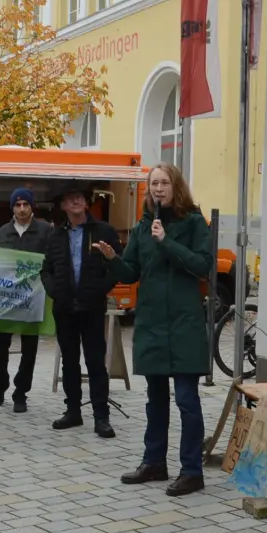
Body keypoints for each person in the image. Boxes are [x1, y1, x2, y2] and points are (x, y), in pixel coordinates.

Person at [99, 163, 213, 497]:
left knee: (187, 400)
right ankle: (154, 462)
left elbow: (202, 265)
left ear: (176, 186)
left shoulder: (194, 222)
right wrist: (112, 259)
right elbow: (132, 271)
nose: (158, 189)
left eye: (164, 183)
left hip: (184, 324)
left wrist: (166, 242)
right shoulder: (143, 226)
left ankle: (192, 471)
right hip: (153, 324)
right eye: (154, 184)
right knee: (155, 399)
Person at [41, 183, 121, 439]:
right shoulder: (55, 235)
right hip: (64, 307)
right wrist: (55, 291)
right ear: (63, 205)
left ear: (87, 203)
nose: (75, 201)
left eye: (79, 197)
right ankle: (73, 411)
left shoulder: (104, 231)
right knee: (70, 362)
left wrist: (100, 288)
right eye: (70, 198)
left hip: (92, 306)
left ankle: (101, 417)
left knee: (96, 361)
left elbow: (117, 266)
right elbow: (46, 269)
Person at [0, 187, 52, 413]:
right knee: (0, 346)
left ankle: (21, 392)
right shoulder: (1, 234)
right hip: (5, 300)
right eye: (17, 205)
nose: (22, 209)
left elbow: (52, 260)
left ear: (32, 206)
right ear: (12, 207)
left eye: (25, 204)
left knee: (30, 349)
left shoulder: (45, 231)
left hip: (32, 300)